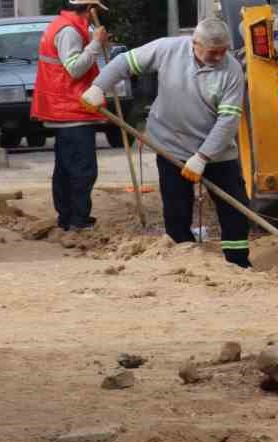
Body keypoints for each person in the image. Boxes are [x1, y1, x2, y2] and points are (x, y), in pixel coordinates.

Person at [83, 18, 253, 268]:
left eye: (223, 51)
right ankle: (186, 263)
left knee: (235, 208)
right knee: (176, 210)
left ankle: (238, 263)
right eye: (213, 52)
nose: (219, 57)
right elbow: (123, 62)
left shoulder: (232, 70)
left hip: (216, 152)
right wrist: (99, 86)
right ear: (195, 43)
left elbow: (228, 120)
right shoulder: (167, 49)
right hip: (170, 146)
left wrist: (203, 157)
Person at [31, 0, 110, 232]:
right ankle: (76, 220)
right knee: (82, 169)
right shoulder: (69, 32)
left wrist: (95, 43)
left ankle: (68, 218)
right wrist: (96, 45)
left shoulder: (66, 26)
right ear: (91, 9)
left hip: (65, 108)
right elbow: (74, 68)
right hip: (72, 109)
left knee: (67, 168)